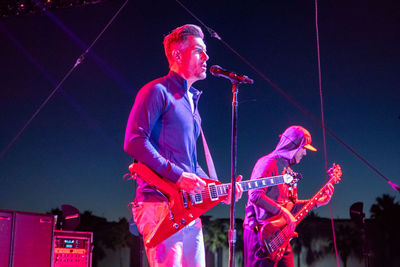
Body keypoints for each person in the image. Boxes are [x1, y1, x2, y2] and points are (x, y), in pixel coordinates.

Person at [124, 24, 242, 267]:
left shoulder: (192, 103)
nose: (207, 57)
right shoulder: (156, 91)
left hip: (188, 208)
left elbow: (191, 165)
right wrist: (177, 176)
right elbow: (134, 141)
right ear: (177, 55)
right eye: (199, 50)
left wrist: (219, 190)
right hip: (159, 204)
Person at [243, 125, 334, 267]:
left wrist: (317, 202)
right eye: (303, 148)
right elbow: (254, 194)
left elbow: (291, 206)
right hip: (260, 236)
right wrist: (284, 213)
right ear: (293, 146)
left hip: (281, 237)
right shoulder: (267, 163)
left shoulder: (288, 171)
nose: (304, 153)